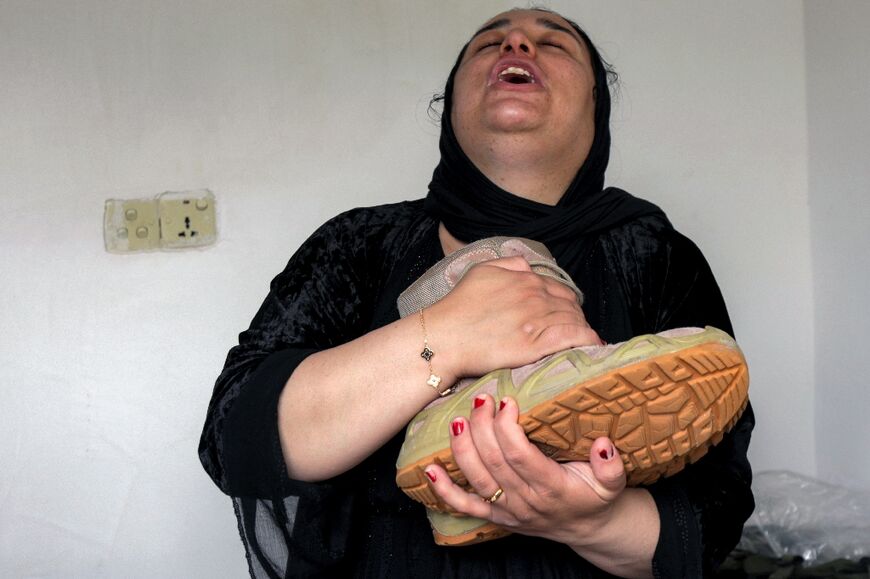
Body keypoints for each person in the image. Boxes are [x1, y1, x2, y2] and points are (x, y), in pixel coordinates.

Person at [199, 8, 754, 578]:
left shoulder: (655, 252)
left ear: (595, 104)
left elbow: (716, 511)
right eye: (489, 44)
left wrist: (586, 522)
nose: (516, 42)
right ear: (452, 104)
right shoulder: (358, 243)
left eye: (554, 44)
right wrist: (448, 336)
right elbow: (236, 438)